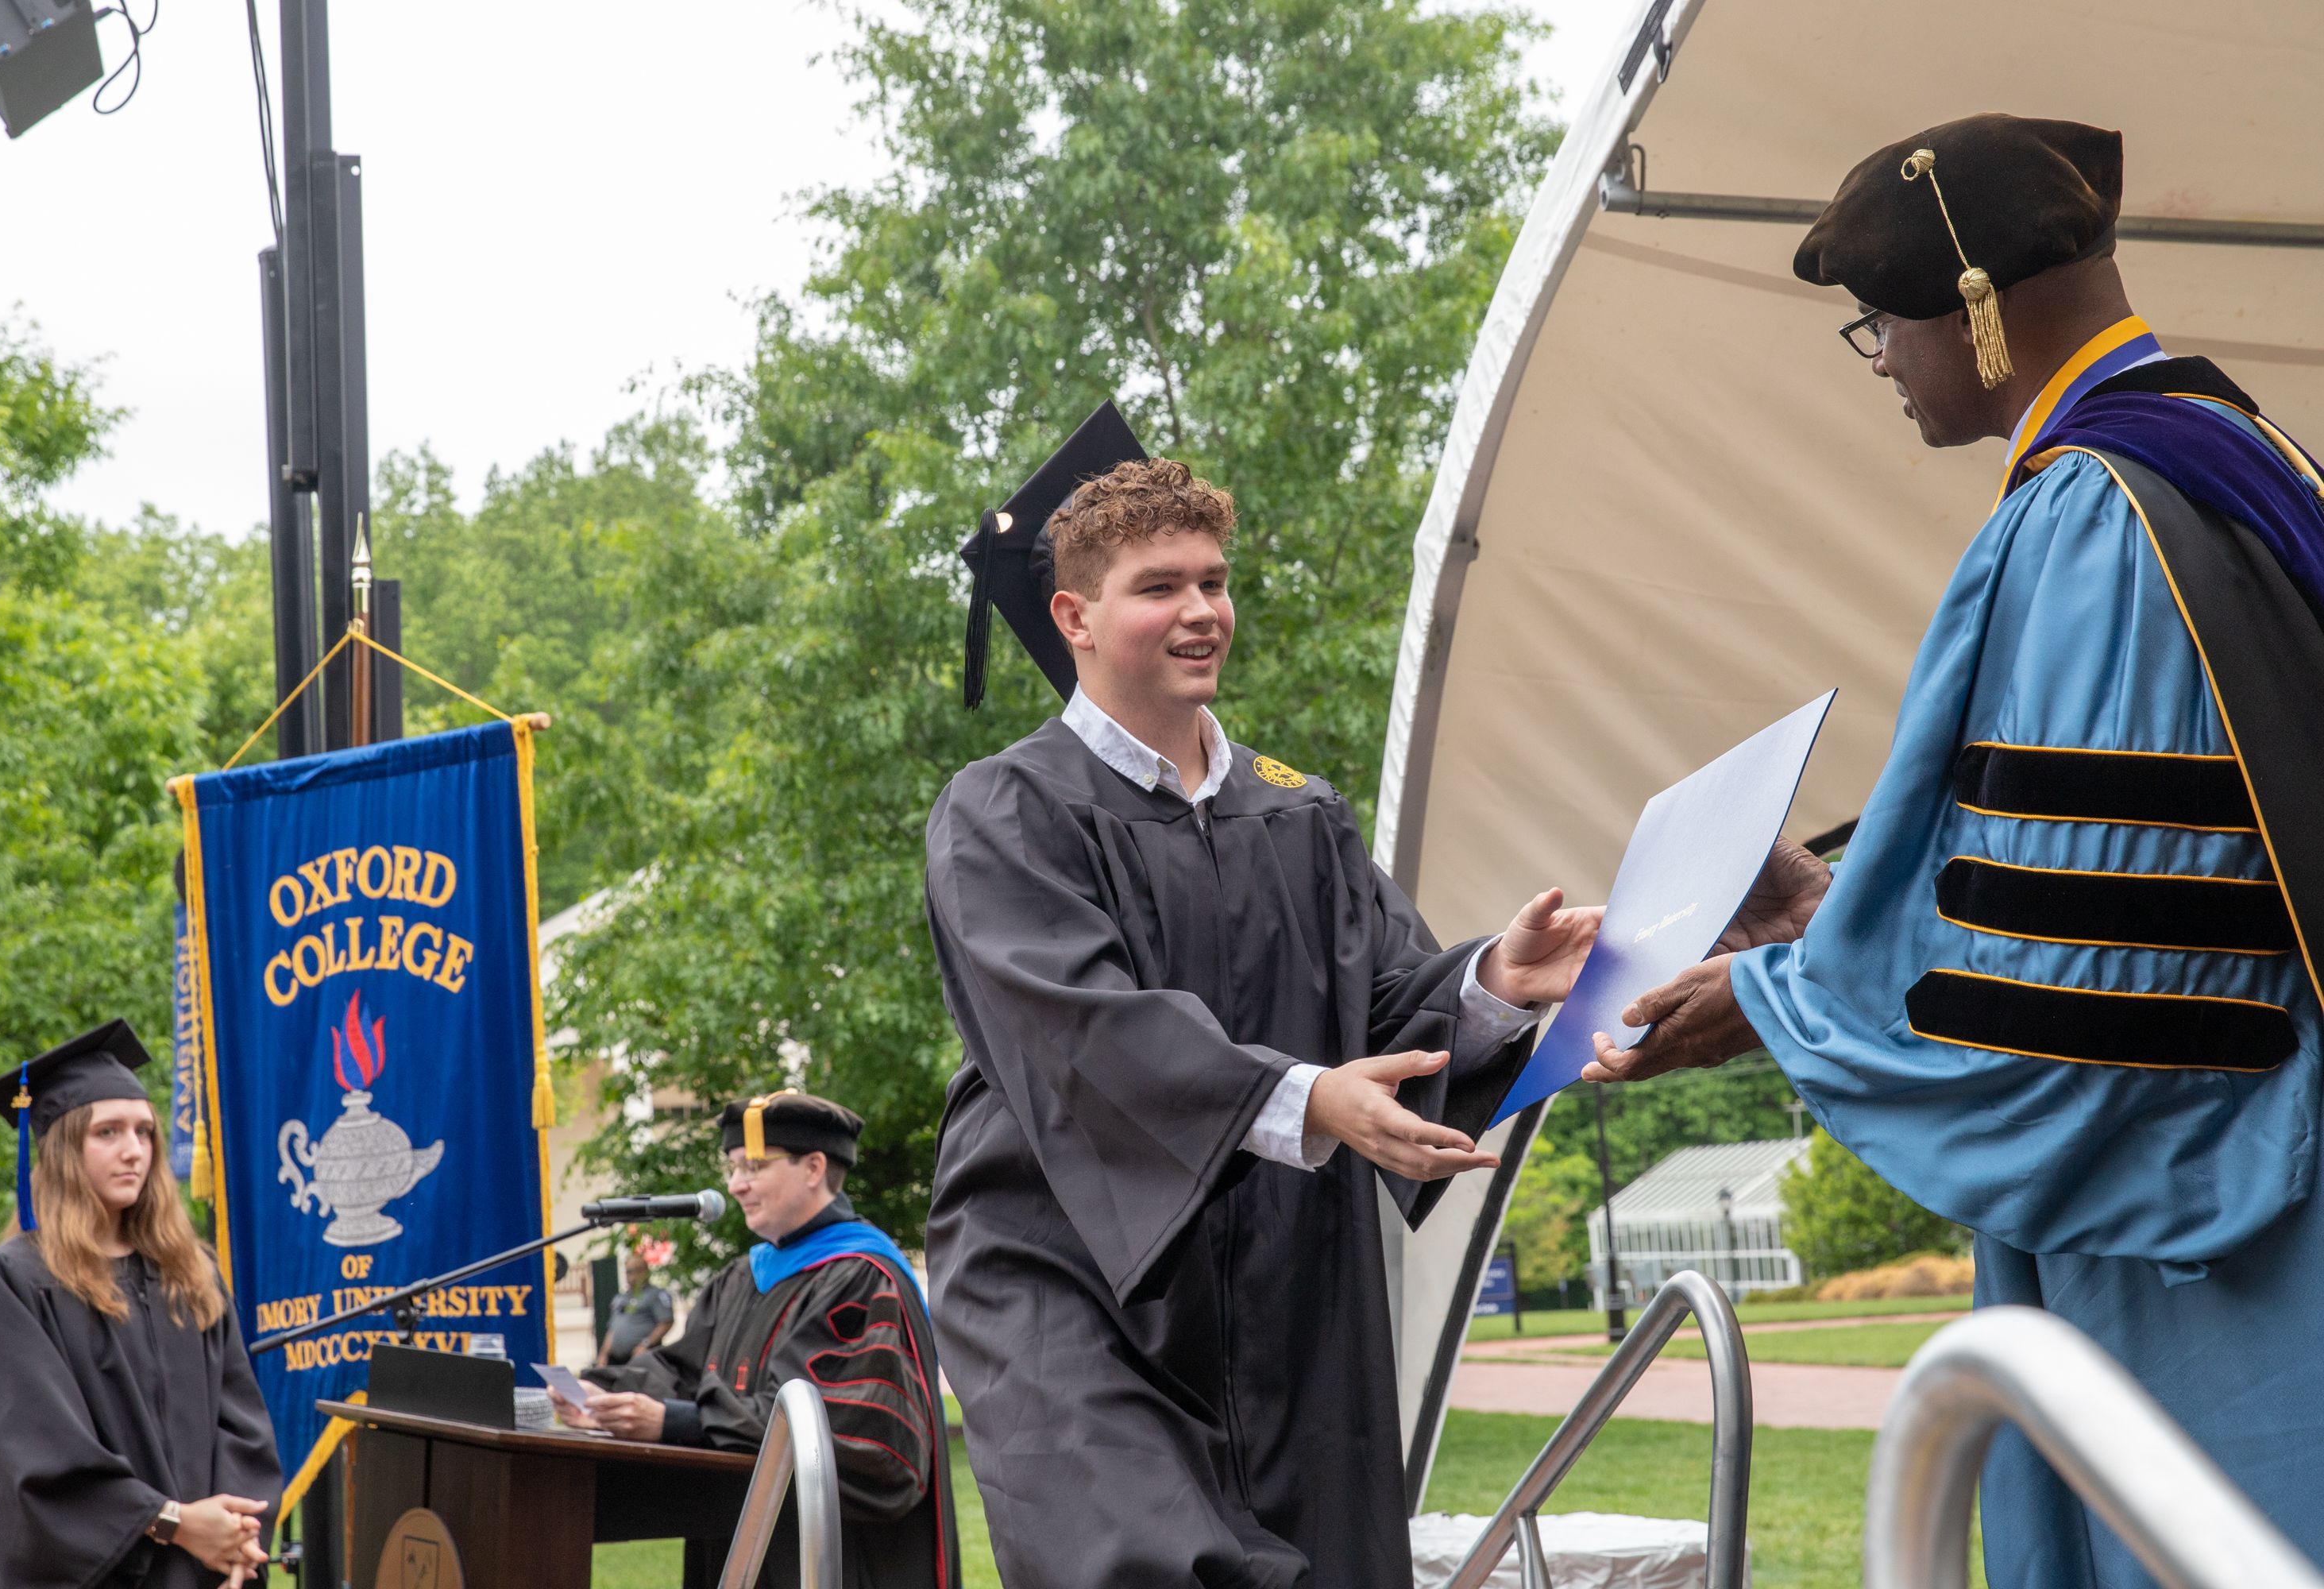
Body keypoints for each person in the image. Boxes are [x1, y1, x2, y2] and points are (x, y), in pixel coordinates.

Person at [1580, 115, 2324, 1587]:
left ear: (1976, 309)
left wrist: (1783, 1003)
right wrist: (1839, 913)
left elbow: (2102, 974)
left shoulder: (2097, 516)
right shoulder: (2246, 455)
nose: (1881, 364)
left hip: (2201, 1218)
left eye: (1879, 326)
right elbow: (2113, 859)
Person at [925, 407, 1602, 1589]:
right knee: (1148, 1565)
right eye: (1159, 587)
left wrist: (1498, 979)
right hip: (1075, 1285)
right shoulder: (1006, 810)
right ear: (1074, 618)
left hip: (1291, 1288)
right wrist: (1305, 1098)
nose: (1201, 610)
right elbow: (1080, 1033)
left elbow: (1383, 1007)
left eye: (1214, 581)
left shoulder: (1297, 812)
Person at [558, 1091, 956, 1589]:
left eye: (754, 1166)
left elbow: (851, 1437)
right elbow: (682, 1368)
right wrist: (599, 1393)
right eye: (732, 1168)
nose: (735, 1185)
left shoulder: (864, 1279)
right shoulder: (740, 1279)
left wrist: (677, 1422)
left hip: (837, 1554)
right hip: (736, 1538)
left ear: (813, 1168)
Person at [0, 1019, 284, 1589]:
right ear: (62, 1148)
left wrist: (233, 1535)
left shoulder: (190, 1276)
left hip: (197, 1576)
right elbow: (33, 1461)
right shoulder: (10, 1285)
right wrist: (175, 1524)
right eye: (107, 1132)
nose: (134, 1151)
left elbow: (244, 1433)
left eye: (144, 1132)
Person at [593, 1247, 674, 1368]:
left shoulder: (656, 1294)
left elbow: (666, 1322)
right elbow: (613, 1329)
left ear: (644, 1271)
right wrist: (603, 1354)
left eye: (634, 1271)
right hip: (617, 1361)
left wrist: (646, 1344)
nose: (630, 1276)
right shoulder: (620, 1298)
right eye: (628, 1272)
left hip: (642, 1358)